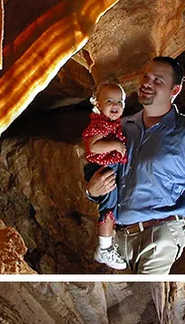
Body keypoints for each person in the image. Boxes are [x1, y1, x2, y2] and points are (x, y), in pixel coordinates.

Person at [85, 56, 185, 274]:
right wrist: (91, 191)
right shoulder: (122, 129)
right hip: (119, 242)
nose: (147, 83)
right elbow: (106, 176)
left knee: (151, 304)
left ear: (175, 90)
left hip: (161, 239)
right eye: (146, 77)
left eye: (158, 80)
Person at [82, 82, 128, 270]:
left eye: (120, 101)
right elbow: (93, 146)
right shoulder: (100, 124)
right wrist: (116, 146)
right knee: (108, 207)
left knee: (112, 206)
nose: (115, 105)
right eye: (109, 101)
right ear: (98, 104)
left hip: (110, 167)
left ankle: (107, 245)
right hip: (103, 168)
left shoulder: (113, 124)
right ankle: (105, 248)